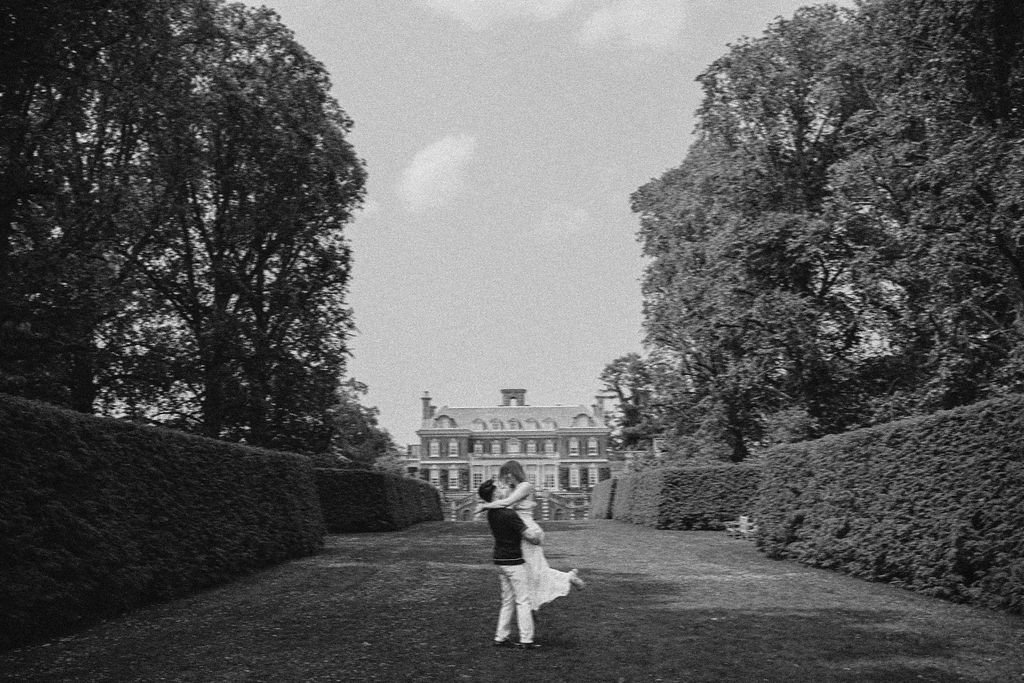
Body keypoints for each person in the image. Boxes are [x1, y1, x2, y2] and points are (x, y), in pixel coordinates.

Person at [480, 460, 585, 614]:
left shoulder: (525, 486)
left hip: (527, 529)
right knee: (529, 570)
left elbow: (507, 502)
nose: (504, 480)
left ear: (512, 473)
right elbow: (503, 501)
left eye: (505, 476)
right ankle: (534, 605)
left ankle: (566, 580)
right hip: (518, 529)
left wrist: (486, 506)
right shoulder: (512, 488)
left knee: (534, 569)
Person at [478, 478, 543, 649]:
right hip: (513, 561)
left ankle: (501, 637)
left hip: (499, 560)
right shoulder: (509, 514)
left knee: (507, 600)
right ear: (495, 493)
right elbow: (530, 537)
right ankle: (526, 640)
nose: (503, 489)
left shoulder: (492, 513)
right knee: (523, 600)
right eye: (499, 488)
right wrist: (538, 538)